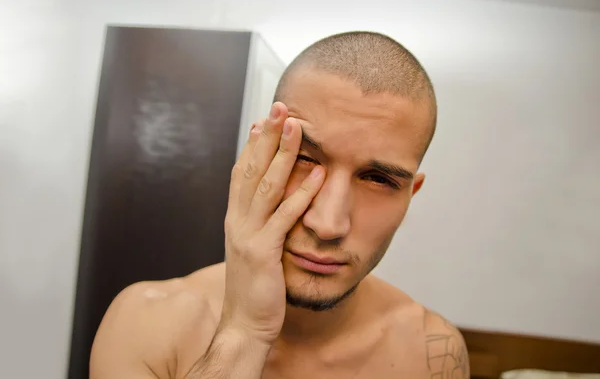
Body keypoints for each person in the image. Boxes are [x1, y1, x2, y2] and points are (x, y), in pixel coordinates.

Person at [90, 31, 469, 379]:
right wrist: (244, 332)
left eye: (378, 179)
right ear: (259, 158)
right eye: (304, 158)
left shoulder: (431, 351)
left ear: (410, 195)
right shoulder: (145, 321)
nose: (327, 224)